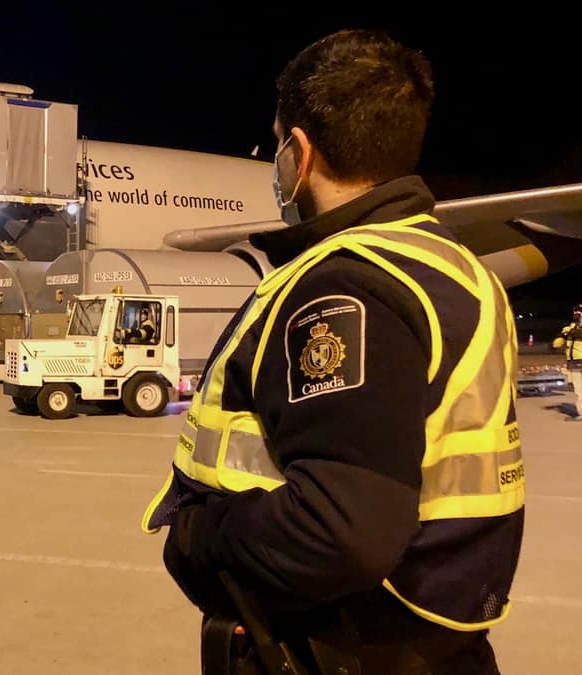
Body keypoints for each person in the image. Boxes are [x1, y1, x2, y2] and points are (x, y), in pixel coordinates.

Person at [141, 30, 523, 674]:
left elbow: (344, 531)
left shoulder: (345, 287)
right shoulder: (450, 265)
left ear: (298, 152)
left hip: (343, 646)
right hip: (432, 634)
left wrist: (198, 537)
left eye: (277, 143)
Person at [552, 304, 582, 419]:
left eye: (579, 312)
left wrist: (570, 331)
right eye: (576, 312)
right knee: (579, 389)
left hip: (579, 359)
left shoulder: (573, 329)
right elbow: (558, 342)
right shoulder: (571, 327)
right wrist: (560, 338)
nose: (577, 314)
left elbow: (578, 333)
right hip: (574, 362)